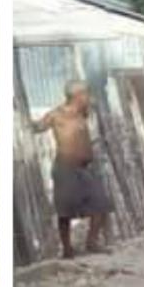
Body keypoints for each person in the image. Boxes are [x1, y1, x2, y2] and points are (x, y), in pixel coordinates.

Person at [31, 80, 113, 259]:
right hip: (64, 168)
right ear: (77, 96)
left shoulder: (83, 112)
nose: (88, 97)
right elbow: (38, 127)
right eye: (85, 93)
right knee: (65, 211)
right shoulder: (56, 115)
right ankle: (67, 250)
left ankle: (91, 243)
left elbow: (96, 103)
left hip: (84, 168)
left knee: (100, 203)